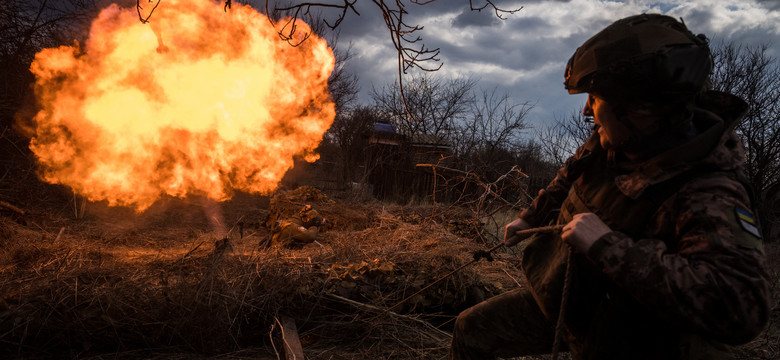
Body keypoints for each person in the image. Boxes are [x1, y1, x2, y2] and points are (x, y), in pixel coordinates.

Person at [450, 14, 771, 360]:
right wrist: (532, 216)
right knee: (471, 330)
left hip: (637, 338)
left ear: (640, 109)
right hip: (571, 305)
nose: (587, 110)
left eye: (595, 98)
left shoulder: (709, 191)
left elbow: (742, 310)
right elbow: (571, 172)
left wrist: (608, 247)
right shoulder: (614, 140)